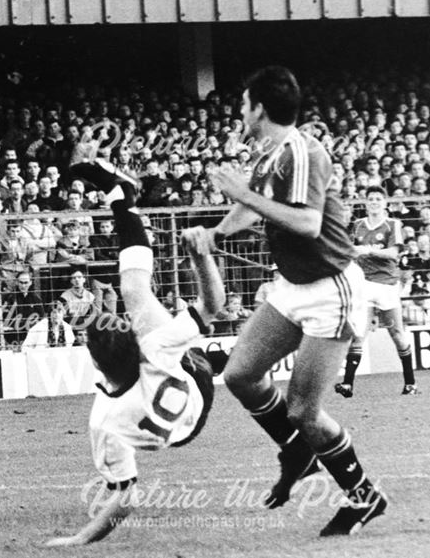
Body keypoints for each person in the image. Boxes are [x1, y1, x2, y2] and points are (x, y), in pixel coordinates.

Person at [207, 66, 387, 536]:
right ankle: (297, 451)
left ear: (259, 108)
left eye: (244, 104)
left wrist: (241, 191)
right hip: (292, 287)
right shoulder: (271, 155)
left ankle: (364, 497)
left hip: (332, 289)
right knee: (241, 374)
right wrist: (215, 234)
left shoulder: (303, 150)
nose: (240, 112)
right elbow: (251, 207)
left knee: (303, 409)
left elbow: (307, 224)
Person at [45, 161, 223, 546]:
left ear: (95, 363)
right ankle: (119, 197)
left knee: (134, 293)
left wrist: (80, 540)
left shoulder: (105, 421)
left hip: (182, 425)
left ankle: (120, 194)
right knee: (136, 291)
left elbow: (126, 498)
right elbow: (213, 304)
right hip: (192, 380)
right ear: (134, 342)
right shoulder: (154, 349)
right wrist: (201, 257)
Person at [336, 185, 417, 398]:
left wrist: (369, 250)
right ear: (365, 203)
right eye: (370, 198)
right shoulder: (358, 225)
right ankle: (347, 384)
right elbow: (349, 250)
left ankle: (410, 383)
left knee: (396, 333)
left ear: (384, 203)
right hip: (364, 284)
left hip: (387, 285)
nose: (374, 202)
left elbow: (393, 254)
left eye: (378, 199)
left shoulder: (393, 224)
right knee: (359, 333)